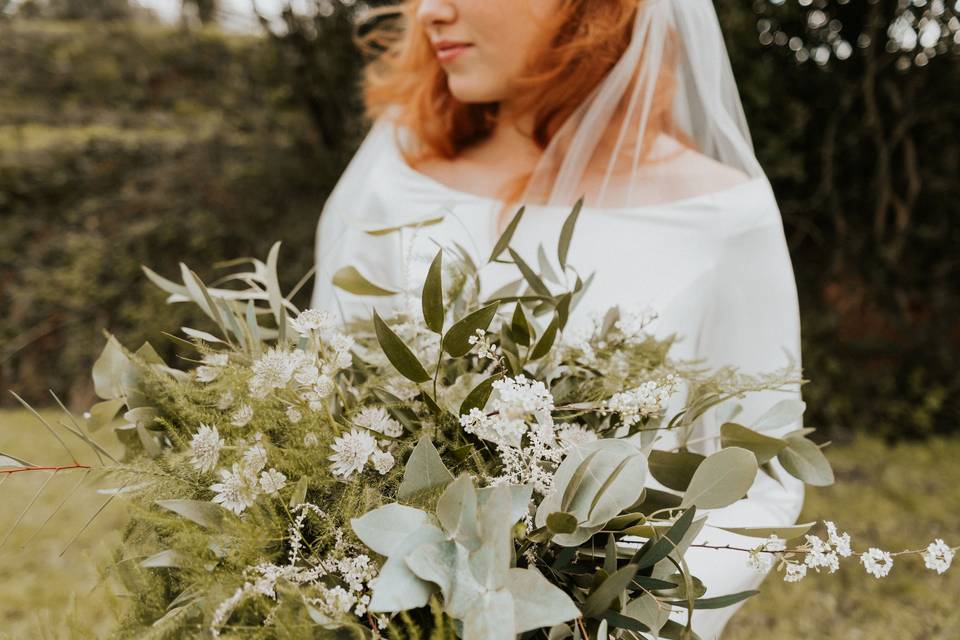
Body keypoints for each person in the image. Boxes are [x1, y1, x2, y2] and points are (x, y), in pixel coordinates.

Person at [311, 0, 806, 636]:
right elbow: (325, 407)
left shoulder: (722, 216)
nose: (429, 11)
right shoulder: (396, 180)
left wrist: (613, 619)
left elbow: (759, 476)